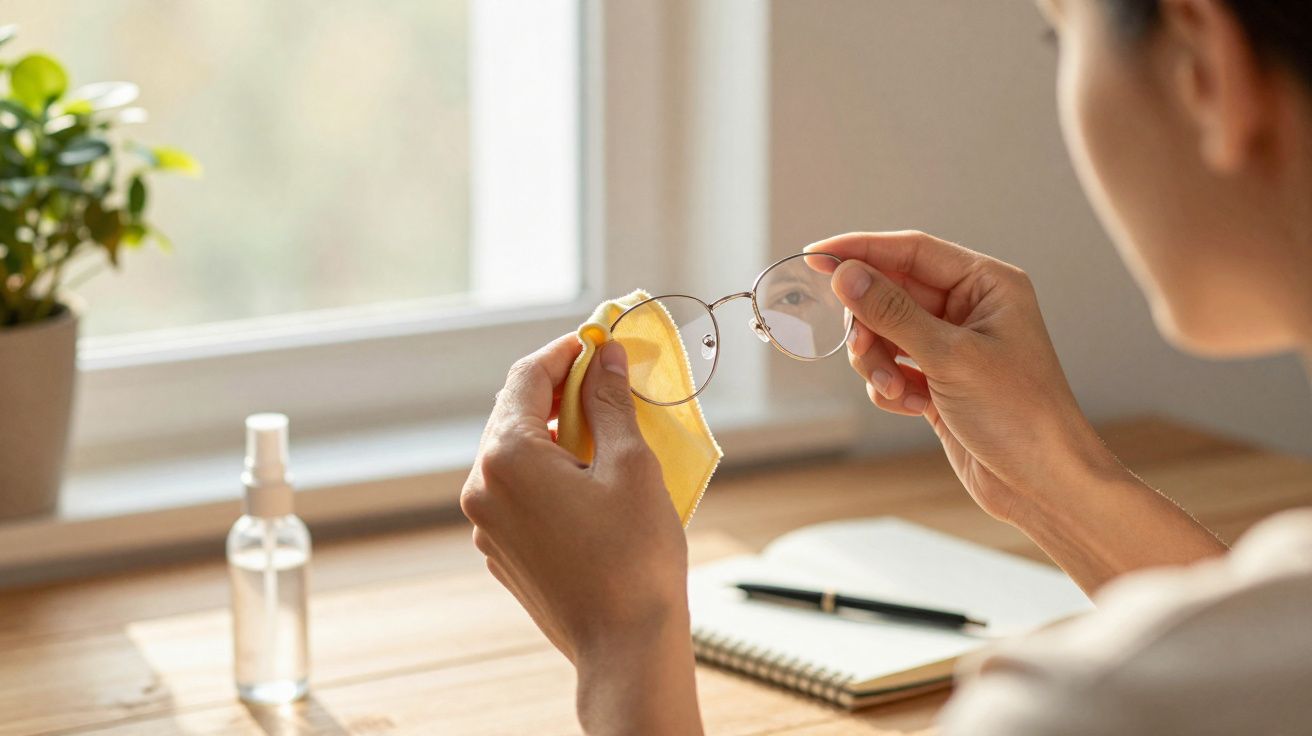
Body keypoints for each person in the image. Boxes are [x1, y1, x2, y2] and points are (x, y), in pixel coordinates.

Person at [459, 0, 1312, 732]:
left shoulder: (1083, 710)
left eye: (1062, 33)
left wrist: (625, 644)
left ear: (1203, 64)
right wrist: (1061, 481)